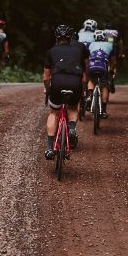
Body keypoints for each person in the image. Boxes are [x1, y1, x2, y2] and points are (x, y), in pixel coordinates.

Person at [43, 24, 88, 160]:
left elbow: (46, 77)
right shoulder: (79, 51)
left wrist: (47, 89)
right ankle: (72, 128)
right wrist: (83, 90)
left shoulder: (51, 51)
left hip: (57, 82)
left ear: (57, 38)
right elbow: (85, 76)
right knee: (73, 107)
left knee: (54, 112)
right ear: (70, 38)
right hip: (75, 82)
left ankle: (50, 149)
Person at [86, 29, 115, 117]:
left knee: (90, 79)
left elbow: (87, 58)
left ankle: (90, 96)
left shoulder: (90, 44)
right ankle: (104, 111)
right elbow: (113, 61)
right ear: (104, 37)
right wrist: (111, 70)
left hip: (92, 66)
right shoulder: (110, 45)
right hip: (103, 67)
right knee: (105, 86)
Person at [101, 22, 124, 92]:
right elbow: (121, 43)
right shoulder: (116, 32)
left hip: (103, 49)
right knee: (114, 63)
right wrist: (121, 54)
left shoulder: (102, 32)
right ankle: (111, 75)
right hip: (113, 50)